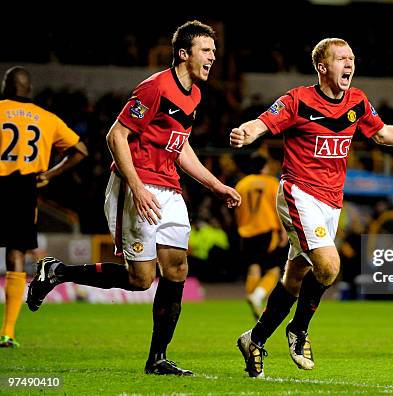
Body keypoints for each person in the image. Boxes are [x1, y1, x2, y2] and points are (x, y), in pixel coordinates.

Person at [26, 20, 241, 375]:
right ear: (184, 54)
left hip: (169, 189)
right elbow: (116, 135)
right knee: (140, 279)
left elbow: (180, 146)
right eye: (206, 50)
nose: (213, 57)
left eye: (214, 51)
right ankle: (57, 272)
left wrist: (215, 184)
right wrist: (138, 187)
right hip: (135, 186)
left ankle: (158, 359)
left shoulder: (195, 95)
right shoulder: (154, 88)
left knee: (177, 269)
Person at [230, 37, 393, 378]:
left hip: (331, 203)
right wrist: (247, 133)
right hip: (298, 194)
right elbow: (261, 123)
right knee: (330, 266)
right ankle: (298, 329)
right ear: (322, 66)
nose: (349, 64)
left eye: (351, 58)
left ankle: (254, 339)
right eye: (341, 59)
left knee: (295, 277)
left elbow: (383, 134)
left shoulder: (357, 101)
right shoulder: (298, 99)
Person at [0, 67, 88, 348]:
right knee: (15, 255)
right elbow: (81, 150)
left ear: (6, 86)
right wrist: (49, 174)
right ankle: (8, 332)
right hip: (24, 189)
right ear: (29, 89)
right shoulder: (46, 118)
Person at [235, 152, 287, 320]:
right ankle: (256, 297)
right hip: (267, 230)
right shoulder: (272, 183)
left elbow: (236, 209)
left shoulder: (242, 184)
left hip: (246, 231)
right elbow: (279, 208)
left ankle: (254, 302)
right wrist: (284, 230)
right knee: (274, 269)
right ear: (264, 166)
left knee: (254, 267)